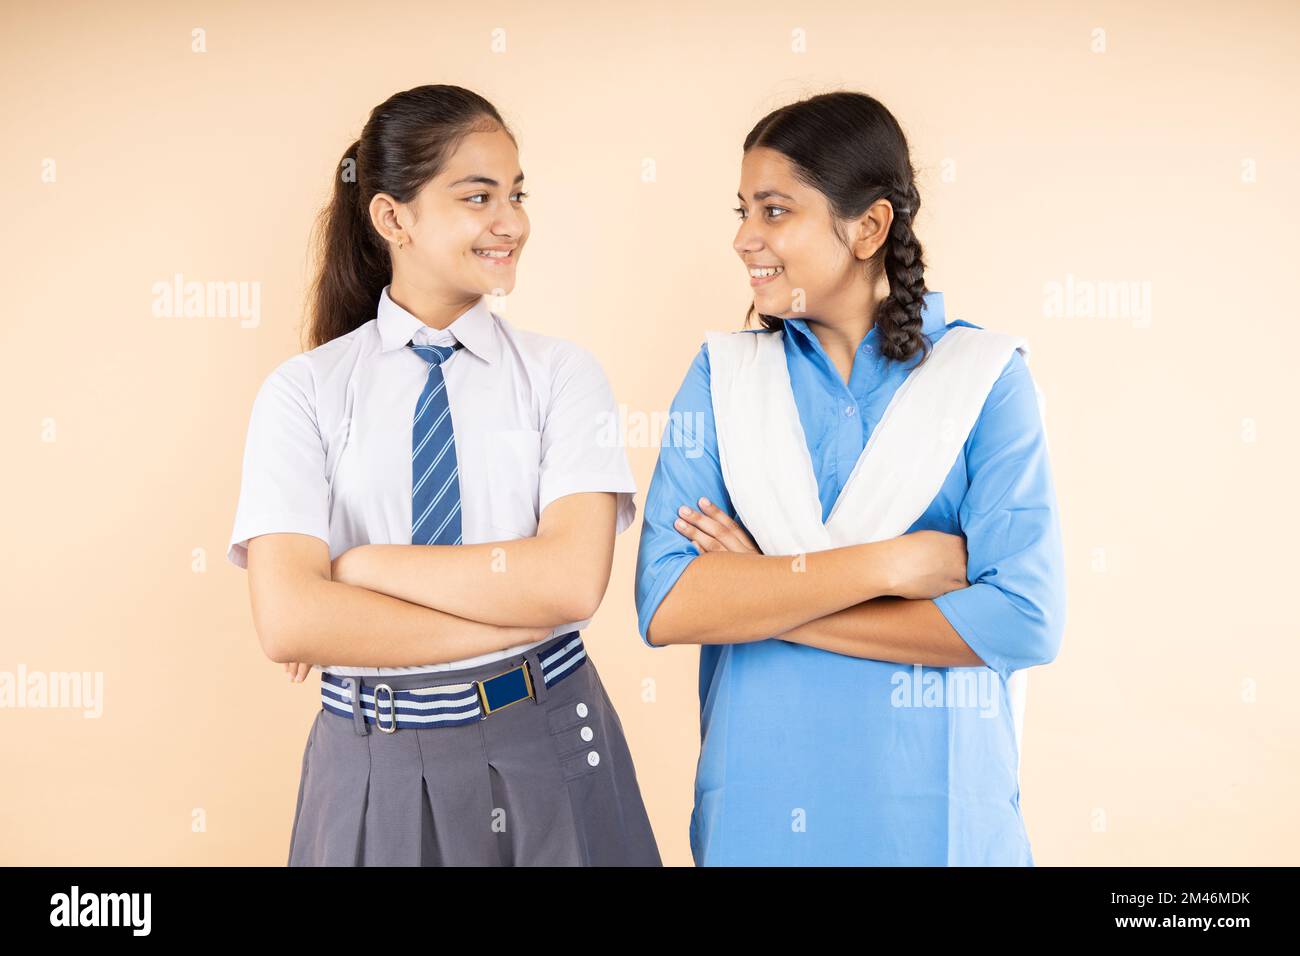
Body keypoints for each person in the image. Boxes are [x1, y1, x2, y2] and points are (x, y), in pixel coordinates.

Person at [228, 84, 660, 866]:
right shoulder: (305, 392)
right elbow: (290, 621)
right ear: (393, 217)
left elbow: (568, 583)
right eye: (478, 197)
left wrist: (357, 569)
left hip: (552, 741)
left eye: (517, 195)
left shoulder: (564, 376)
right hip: (371, 765)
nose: (512, 222)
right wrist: (509, 626)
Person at [634, 91, 1066, 865]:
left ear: (868, 227)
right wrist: (892, 566)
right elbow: (666, 603)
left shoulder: (983, 379)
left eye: (774, 212)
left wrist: (764, 595)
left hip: (935, 819)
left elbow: (1024, 620)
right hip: (759, 812)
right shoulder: (726, 377)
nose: (742, 239)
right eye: (742, 211)